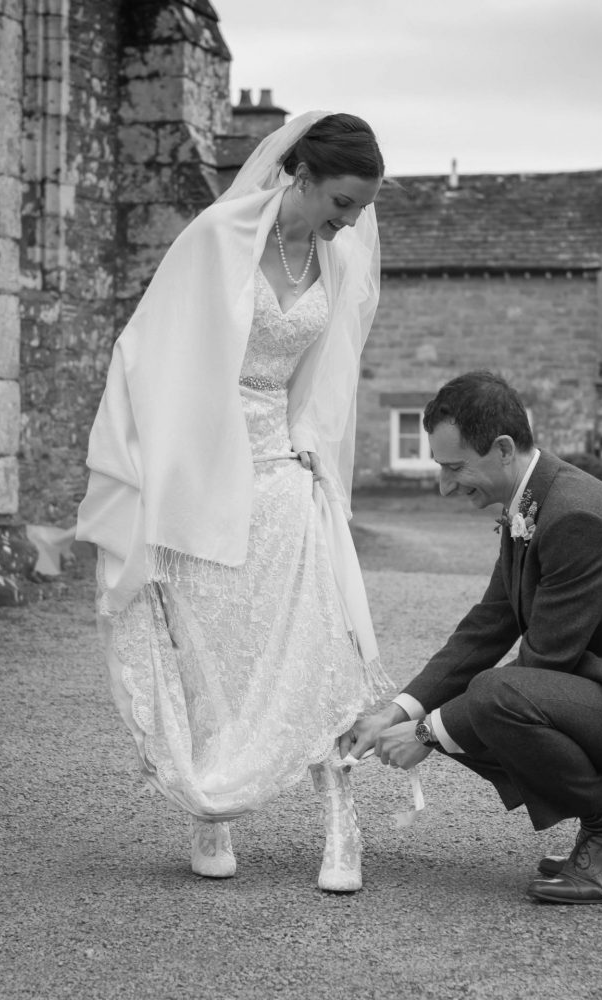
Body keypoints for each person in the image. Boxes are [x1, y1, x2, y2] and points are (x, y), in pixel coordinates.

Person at [76, 111, 391, 891]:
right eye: (342, 201)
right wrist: (152, 473)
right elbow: (148, 353)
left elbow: (333, 377)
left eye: (359, 208)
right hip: (207, 465)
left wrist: (315, 453)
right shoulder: (217, 238)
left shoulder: (342, 259)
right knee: (214, 644)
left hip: (286, 462)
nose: (350, 220)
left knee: (319, 643)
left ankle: (340, 827)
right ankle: (212, 812)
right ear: (303, 175)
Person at [346, 371, 602, 905]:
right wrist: (398, 713)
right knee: (467, 706)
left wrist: (426, 735)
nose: (446, 485)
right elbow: (487, 625)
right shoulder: (534, 501)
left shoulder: (577, 515)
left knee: (490, 699)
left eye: (454, 467)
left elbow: (543, 663)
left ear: (503, 449)